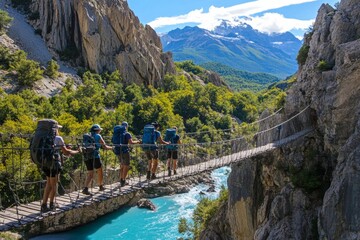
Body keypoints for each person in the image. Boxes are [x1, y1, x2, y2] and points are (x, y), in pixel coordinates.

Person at [41, 124, 80, 212]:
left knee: (48, 183)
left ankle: (44, 204)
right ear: (55, 130)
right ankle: (51, 204)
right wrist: (77, 151)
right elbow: (66, 152)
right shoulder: (58, 138)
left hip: (45, 163)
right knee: (54, 184)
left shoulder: (43, 137)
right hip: (54, 163)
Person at [82, 124, 112, 195]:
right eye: (100, 130)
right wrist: (112, 148)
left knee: (90, 173)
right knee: (100, 170)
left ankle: (85, 188)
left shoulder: (87, 136)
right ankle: (101, 186)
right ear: (97, 130)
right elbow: (105, 146)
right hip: (95, 156)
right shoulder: (98, 136)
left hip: (87, 156)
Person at [118, 121, 141, 187]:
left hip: (118, 151)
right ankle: (123, 180)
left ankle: (121, 179)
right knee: (126, 165)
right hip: (125, 151)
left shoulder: (118, 134)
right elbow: (131, 142)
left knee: (122, 165)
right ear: (126, 127)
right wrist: (138, 142)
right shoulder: (127, 134)